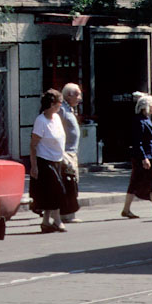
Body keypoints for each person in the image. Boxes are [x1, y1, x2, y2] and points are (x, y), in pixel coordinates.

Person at [122, 93, 152, 218]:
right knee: (137, 181)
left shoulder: (146, 119)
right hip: (145, 156)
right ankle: (127, 209)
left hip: (150, 155)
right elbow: (138, 142)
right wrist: (144, 158)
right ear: (145, 106)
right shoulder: (139, 121)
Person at [30, 89, 69, 233]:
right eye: (59, 103)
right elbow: (33, 145)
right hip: (45, 160)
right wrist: (34, 167)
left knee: (50, 193)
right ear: (52, 104)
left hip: (57, 159)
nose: (61, 106)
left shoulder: (56, 118)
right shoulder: (41, 121)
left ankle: (46, 221)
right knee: (57, 190)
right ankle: (57, 220)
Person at [59, 83, 83, 224]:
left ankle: (68, 212)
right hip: (66, 152)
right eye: (77, 94)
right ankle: (67, 214)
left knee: (73, 182)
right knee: (69, 182)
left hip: (72, 152)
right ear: (69, 95)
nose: (79, 98)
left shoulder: (70, 109)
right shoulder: (62, 110)